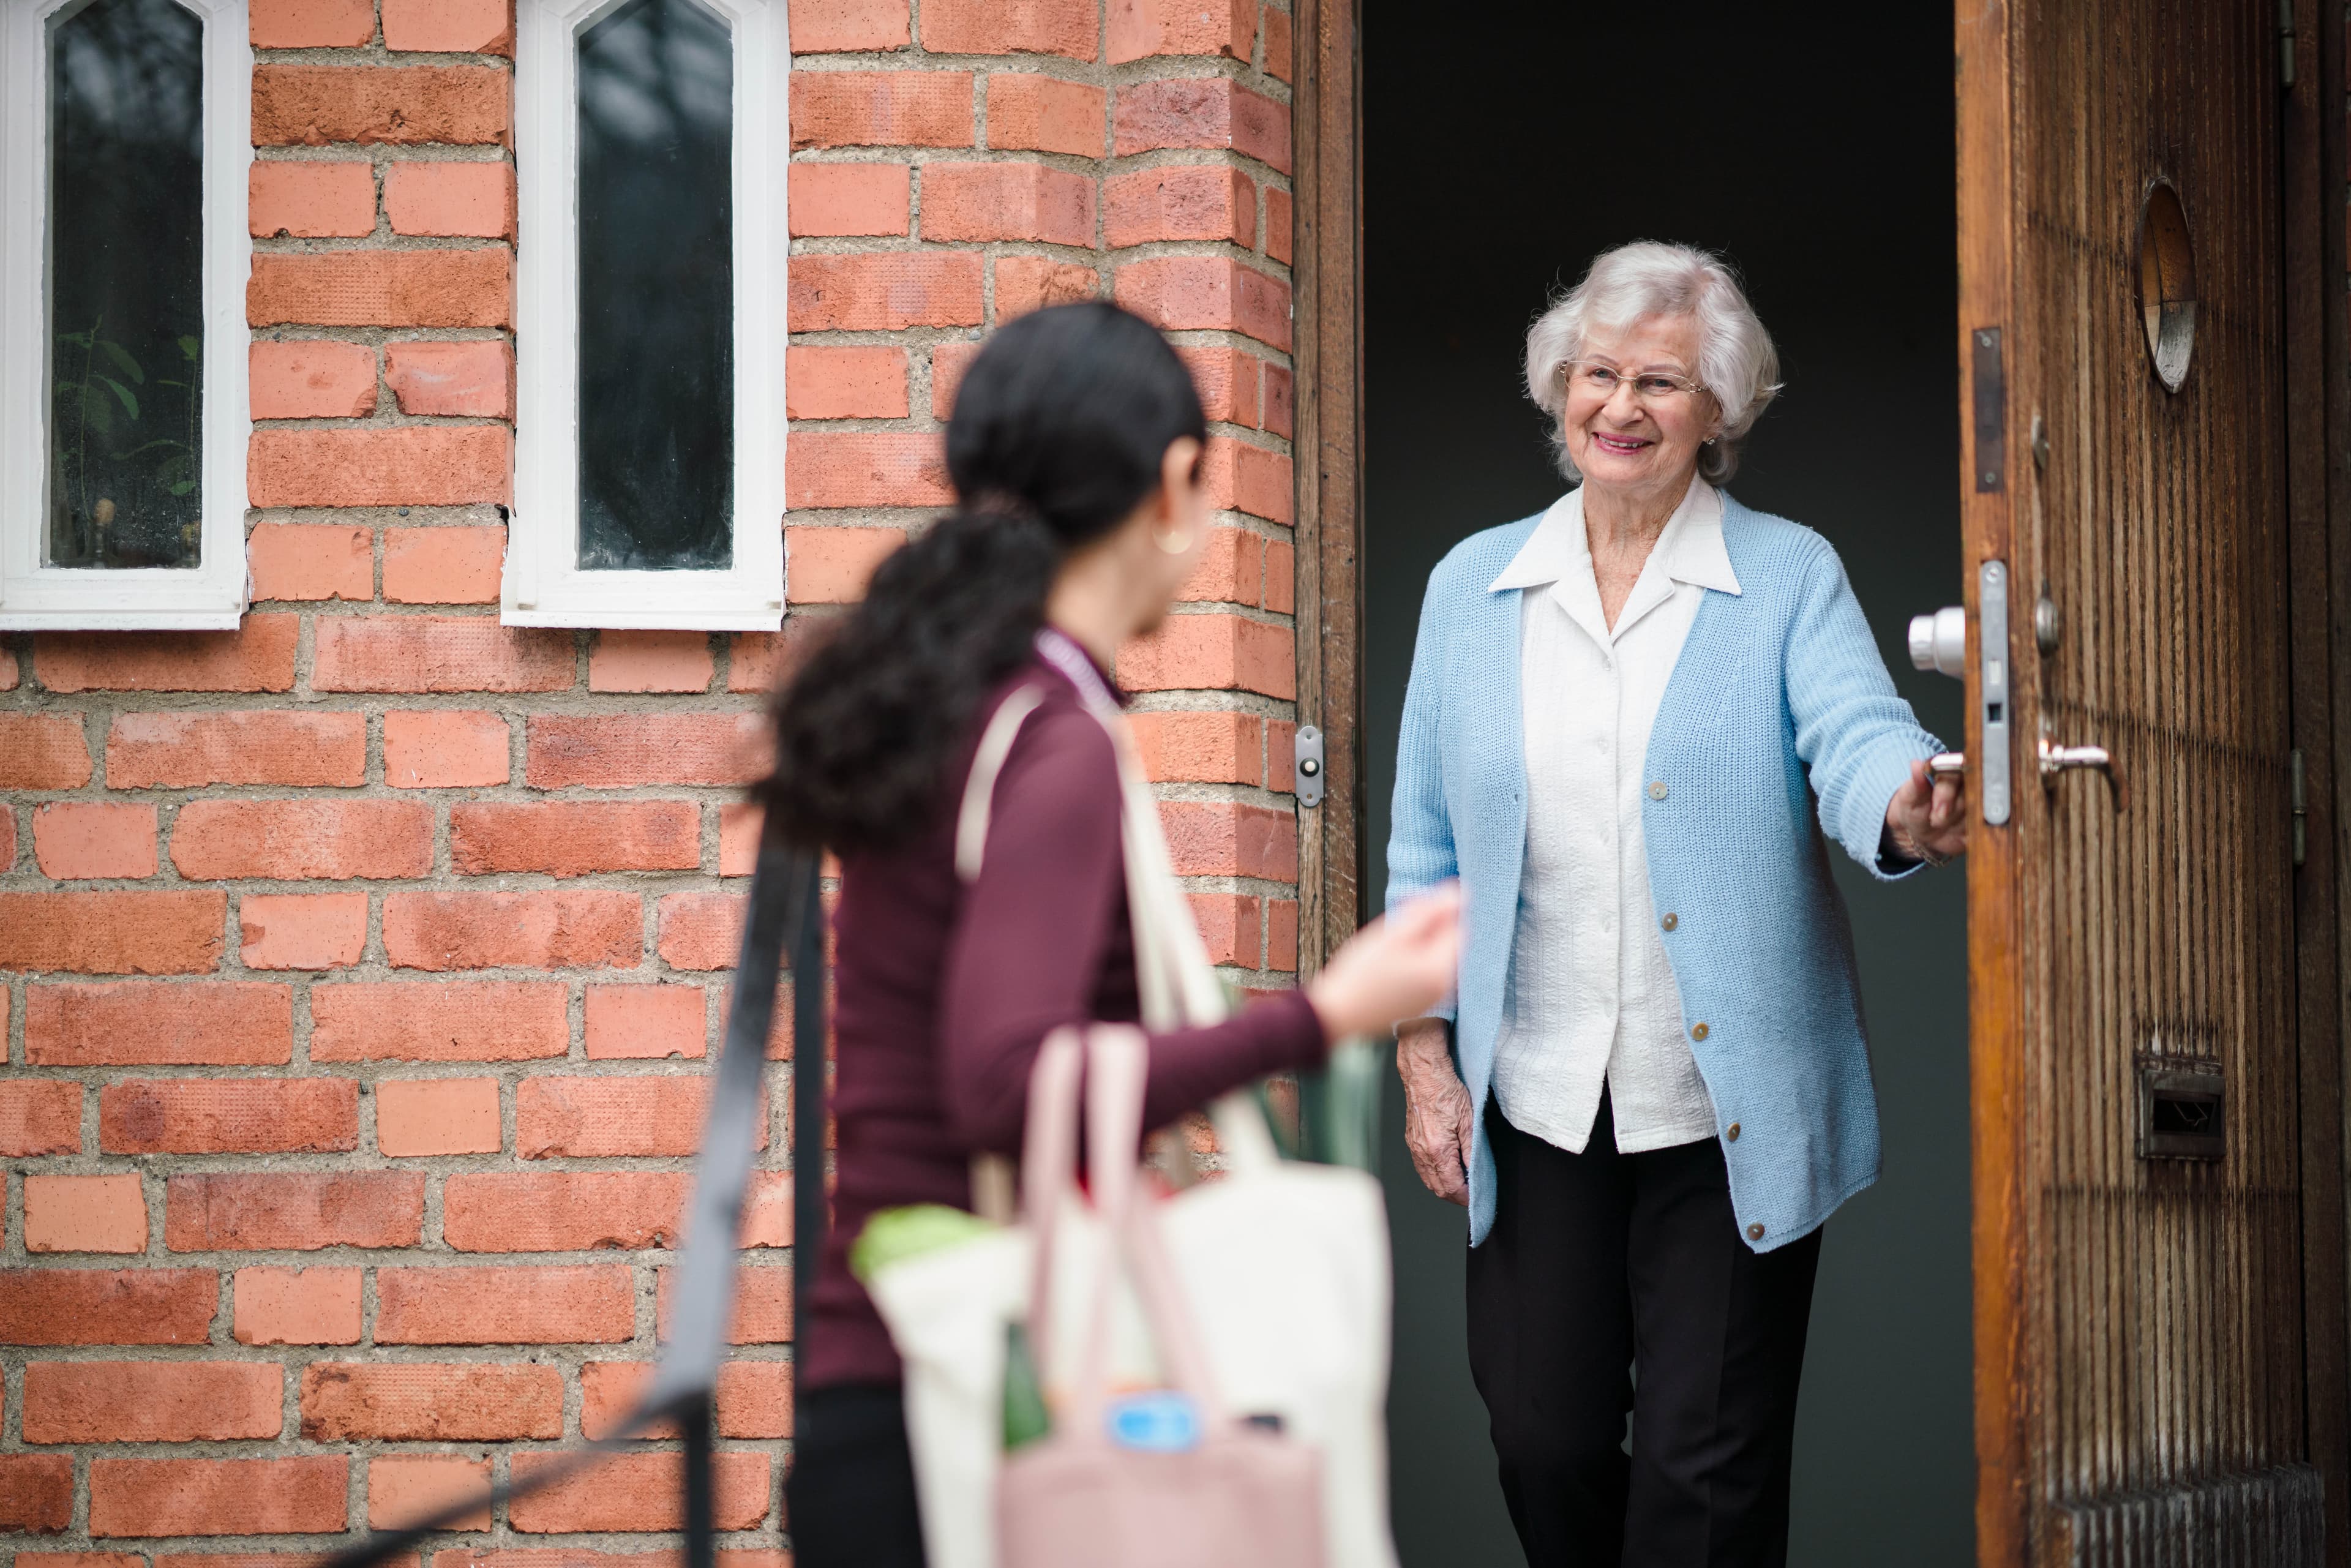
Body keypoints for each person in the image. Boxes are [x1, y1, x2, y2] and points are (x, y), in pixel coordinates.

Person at [765, 301, 1463, 1568]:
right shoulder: (1056, 734)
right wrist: (1325, 1017)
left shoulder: (952, 698)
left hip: (892, 1393)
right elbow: (1004, 1081)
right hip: (980, 1424)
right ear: (1177, 485)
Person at [1384, 242, 1967, 1567]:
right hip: (1534, 1097)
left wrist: (1905, 805)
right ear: (1557, 388)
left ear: (1720, 409)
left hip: (1728, 1112)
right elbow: (1424, 845)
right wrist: (1425, 1055)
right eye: (1599, 375)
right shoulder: (1473, 591)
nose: (1622, 407)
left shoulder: (1787, 576)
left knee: (1708, 1487)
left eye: (1662, 381)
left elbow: (1858, 731)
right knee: (1545, 1441)